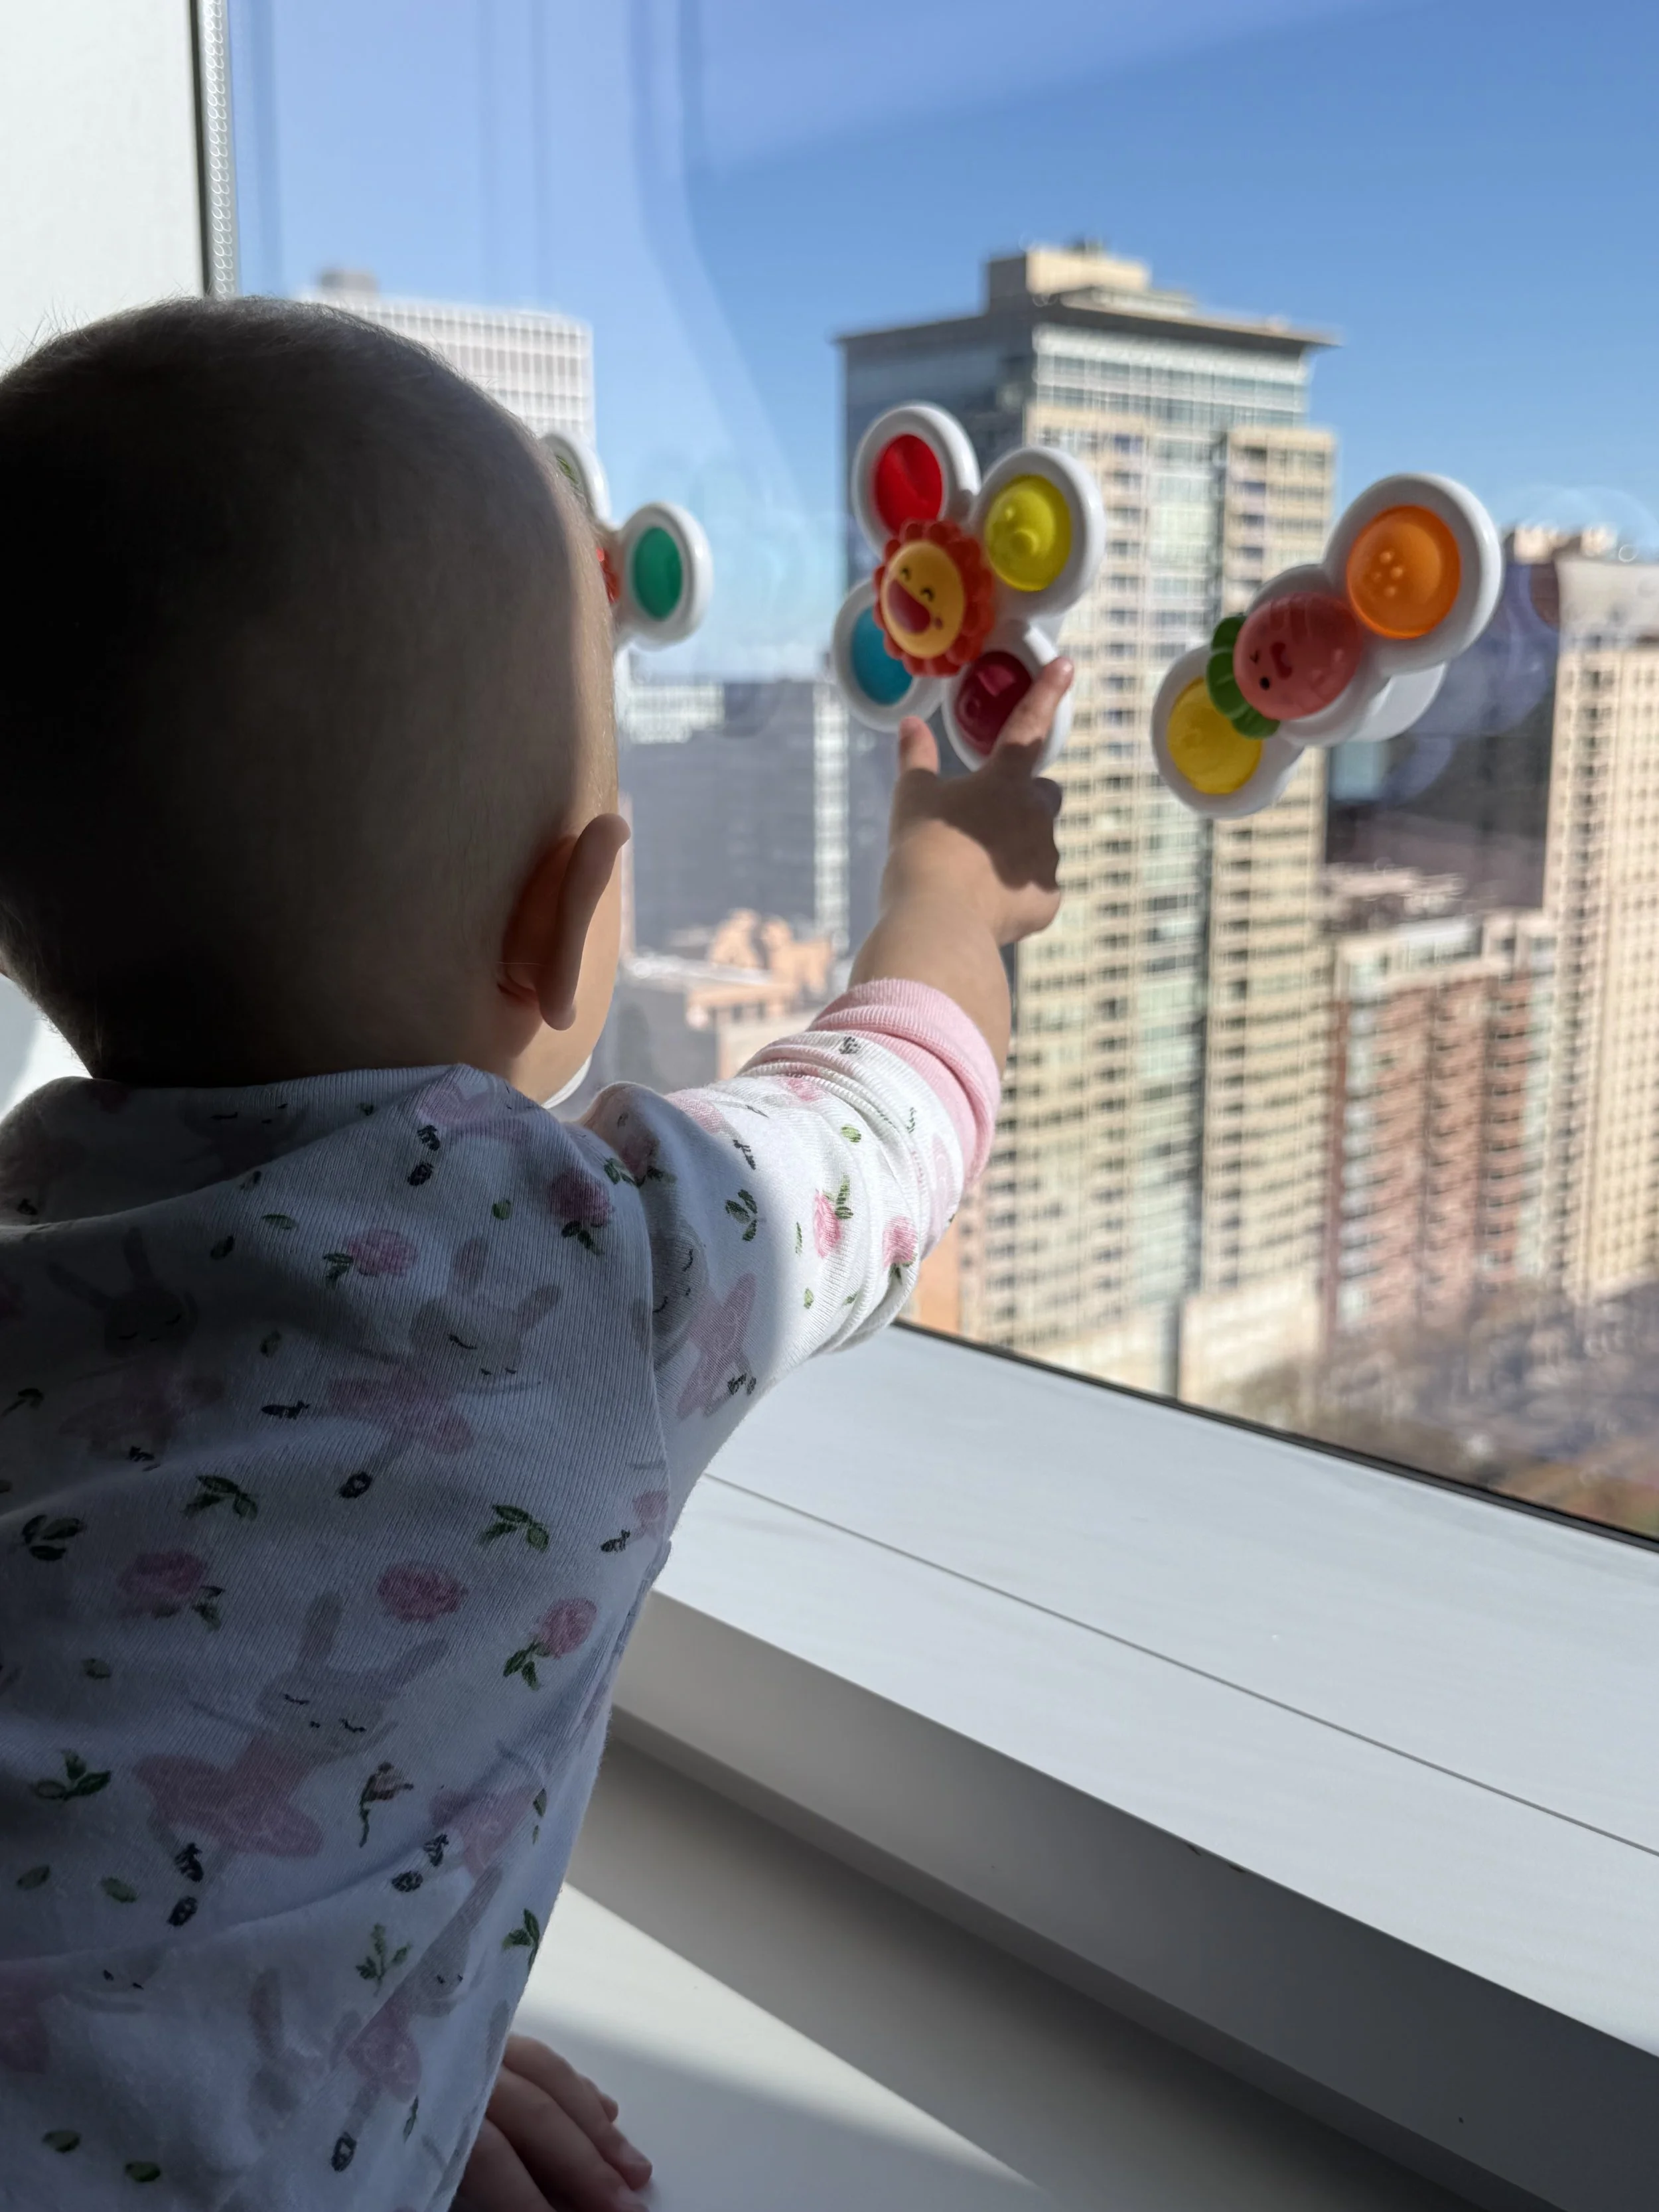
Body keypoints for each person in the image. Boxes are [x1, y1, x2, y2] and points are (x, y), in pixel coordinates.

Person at [0, 298, 1067, 2211]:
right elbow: (885, 1127)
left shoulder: (32, 1258)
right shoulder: (575, 1275)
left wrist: (339, 2026)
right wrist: (949, 886)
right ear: (567, 921)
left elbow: (122, 1827)